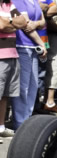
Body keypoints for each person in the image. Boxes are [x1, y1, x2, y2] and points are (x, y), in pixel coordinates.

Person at [12, 0, 48, 130]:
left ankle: (27, 119)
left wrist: (37, 23)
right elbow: (25, 25)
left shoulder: (34, 1)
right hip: (22, 45)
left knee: (33, 85)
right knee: (23, 87)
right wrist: (42, 44)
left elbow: (43, 21)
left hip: (33, 46)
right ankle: (20, 123)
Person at [0, 0, 26, 143]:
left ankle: (1, 128)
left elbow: (22, 22)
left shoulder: (9, 4)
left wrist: (9, 23)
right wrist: (13, 23)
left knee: (5, 95)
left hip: (12, 54)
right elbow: (1, 25)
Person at [43, 0, 57, 113]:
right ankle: (49, 102)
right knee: (53, 67)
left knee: (53, 68)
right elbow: (45, 17)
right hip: (50, 35)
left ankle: (48, 100)